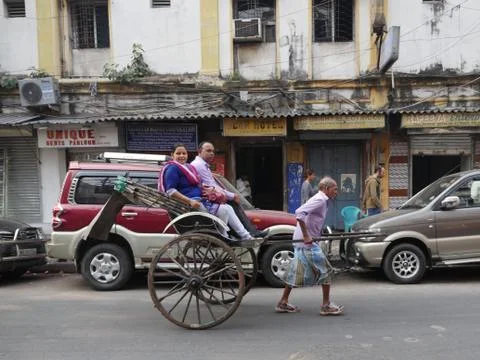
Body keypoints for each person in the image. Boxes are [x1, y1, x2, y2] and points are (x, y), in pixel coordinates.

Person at [275, 176, 344, 315]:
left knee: (294, 272)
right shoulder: (320, 199)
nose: (336, 192)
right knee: (326, 271)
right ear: (326, 188)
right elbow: (299, 213)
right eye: (334, 189)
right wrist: (307, 235)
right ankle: (326, 305)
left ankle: (283, 302)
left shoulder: (321, 199)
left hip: (305, 240)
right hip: (307, 242)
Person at [159, 143, 255, 241]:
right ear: (172, 155)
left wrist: (207, 189)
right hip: (189, 204)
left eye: (184, 153)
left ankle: (243, 236)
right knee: (225, 209)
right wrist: (190, 201)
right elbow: (170, 191)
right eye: (178, 153)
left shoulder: (189, 167)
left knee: (227, 208)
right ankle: (225, 235)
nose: (181, 156)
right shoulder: (172, 168)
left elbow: (198, 184)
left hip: (201, 200)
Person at [191, 141, 268, 238]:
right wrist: (231, 195)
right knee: (232, 203)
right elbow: (211, 186)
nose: (211, 153)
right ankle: (248, 232)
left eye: (213, 151)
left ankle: (247, 232)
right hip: (206, 198)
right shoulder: (199, 165)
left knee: (232, 203)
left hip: (210, 195)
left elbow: (214, 185)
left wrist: (230, 195)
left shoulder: (204, 165)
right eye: (208, 151)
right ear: (200, 151)